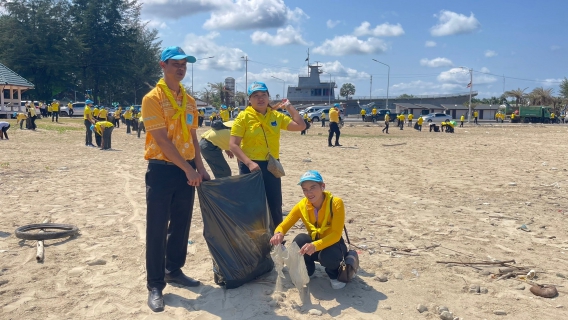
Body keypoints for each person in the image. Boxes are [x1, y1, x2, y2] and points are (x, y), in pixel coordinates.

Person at [142, 46, 210, 313]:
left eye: (184, 64)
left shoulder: (190, 100)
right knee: (157, 227)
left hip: (187, 170)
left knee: (181, 224)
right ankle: (156, 285)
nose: (181, 68)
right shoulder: (153, 98)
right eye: (175, 64)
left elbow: (193, 136)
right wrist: (188, 169)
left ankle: (174, 270)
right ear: (163, 65)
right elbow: (161, 140)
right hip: (162, 169)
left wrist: (199, 167)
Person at [229, 81, 305, 231]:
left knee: (275, 205)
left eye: (264, 95)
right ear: (249, 100)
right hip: (250, 166)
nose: (260, 98)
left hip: (272, 165)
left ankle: (277, 240)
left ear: (268, 97)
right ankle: (255, 241)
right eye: (256, 96)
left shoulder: (276, 116)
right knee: (252, 206)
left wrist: (288, 106)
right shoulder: (243, 117)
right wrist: (249, 163)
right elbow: (233, 145)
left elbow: (301, 126)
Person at [270, 170, 348, 290]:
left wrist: (315, 245)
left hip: (333, 243)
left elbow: (336, 235)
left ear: (323, 186)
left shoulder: (336, 203)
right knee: (300, 239)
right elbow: (283, 225)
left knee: (328, 256)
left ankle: (334, 274)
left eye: (313, 187)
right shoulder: (302, 205)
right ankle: (307, 269)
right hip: (313, 243)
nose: (309, 193)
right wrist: (279, 234)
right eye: (305, 189)